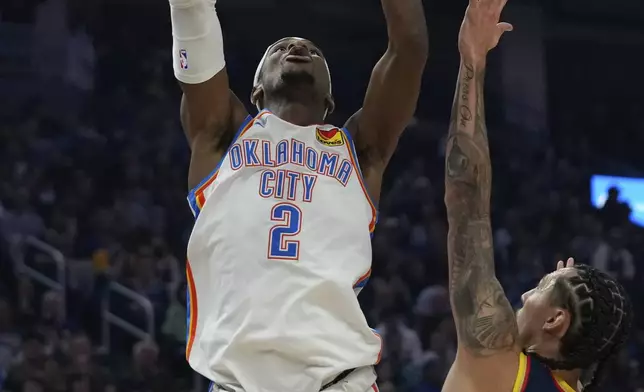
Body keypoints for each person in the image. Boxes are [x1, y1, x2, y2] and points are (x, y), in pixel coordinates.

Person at [166, 0, 428, 390]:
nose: (298, 49)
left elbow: (409, 46)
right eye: (279, 48)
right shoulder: (222, 135)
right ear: (255, 91)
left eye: (314, 51)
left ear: (330, 101)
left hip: (337, 380)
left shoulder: (359, 148)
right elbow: (192, 15)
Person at [441, 0, 633, 391]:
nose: (524, 294)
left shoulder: (497, 361)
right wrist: (558, 290)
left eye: (536, 291)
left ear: (555, 322)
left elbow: (468, 201)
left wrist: (472, 61)